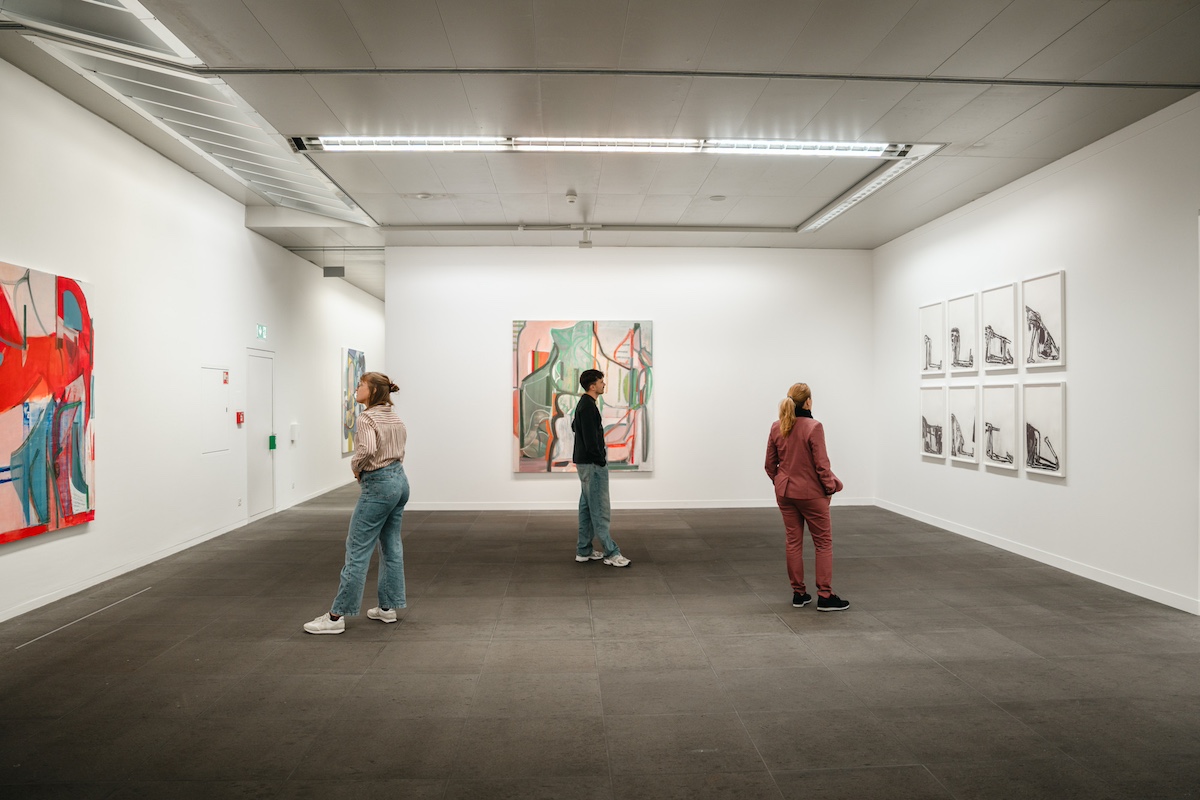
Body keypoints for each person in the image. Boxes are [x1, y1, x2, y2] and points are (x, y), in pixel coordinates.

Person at [304, 372, 411, 634]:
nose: (356, 388)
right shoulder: (393, 416)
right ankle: (387, 608)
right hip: (400, 481)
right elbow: (399, 449)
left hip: (379, 485)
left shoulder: (366, 417)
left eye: (361, 385)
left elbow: (367, 450)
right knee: (391, 546)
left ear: (373, 391)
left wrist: (355, 467)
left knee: (357, 549)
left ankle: (335, 617)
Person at [764, 382, 849, 611]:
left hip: (785, 493)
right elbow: (822, 465)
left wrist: (780, 482)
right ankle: (825, 596)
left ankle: (799, 594)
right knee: (823, 543)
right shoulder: (814, 426)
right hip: (811, 494)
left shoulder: (777, 426)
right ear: (808, 402)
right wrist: (829, 488)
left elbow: (769, 465)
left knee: (793, 542)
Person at [572, 368, 630, 567]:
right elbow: (590, 440)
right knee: (600, 510)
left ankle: (583, 550)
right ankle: (612, 553)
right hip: (592, 465)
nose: (603, 384)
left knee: (587, 508)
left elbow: (574, 427)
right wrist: (600, 459)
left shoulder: (583, 404)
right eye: (600, 382)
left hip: (584, 463)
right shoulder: (588, 407)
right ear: (592, 386)